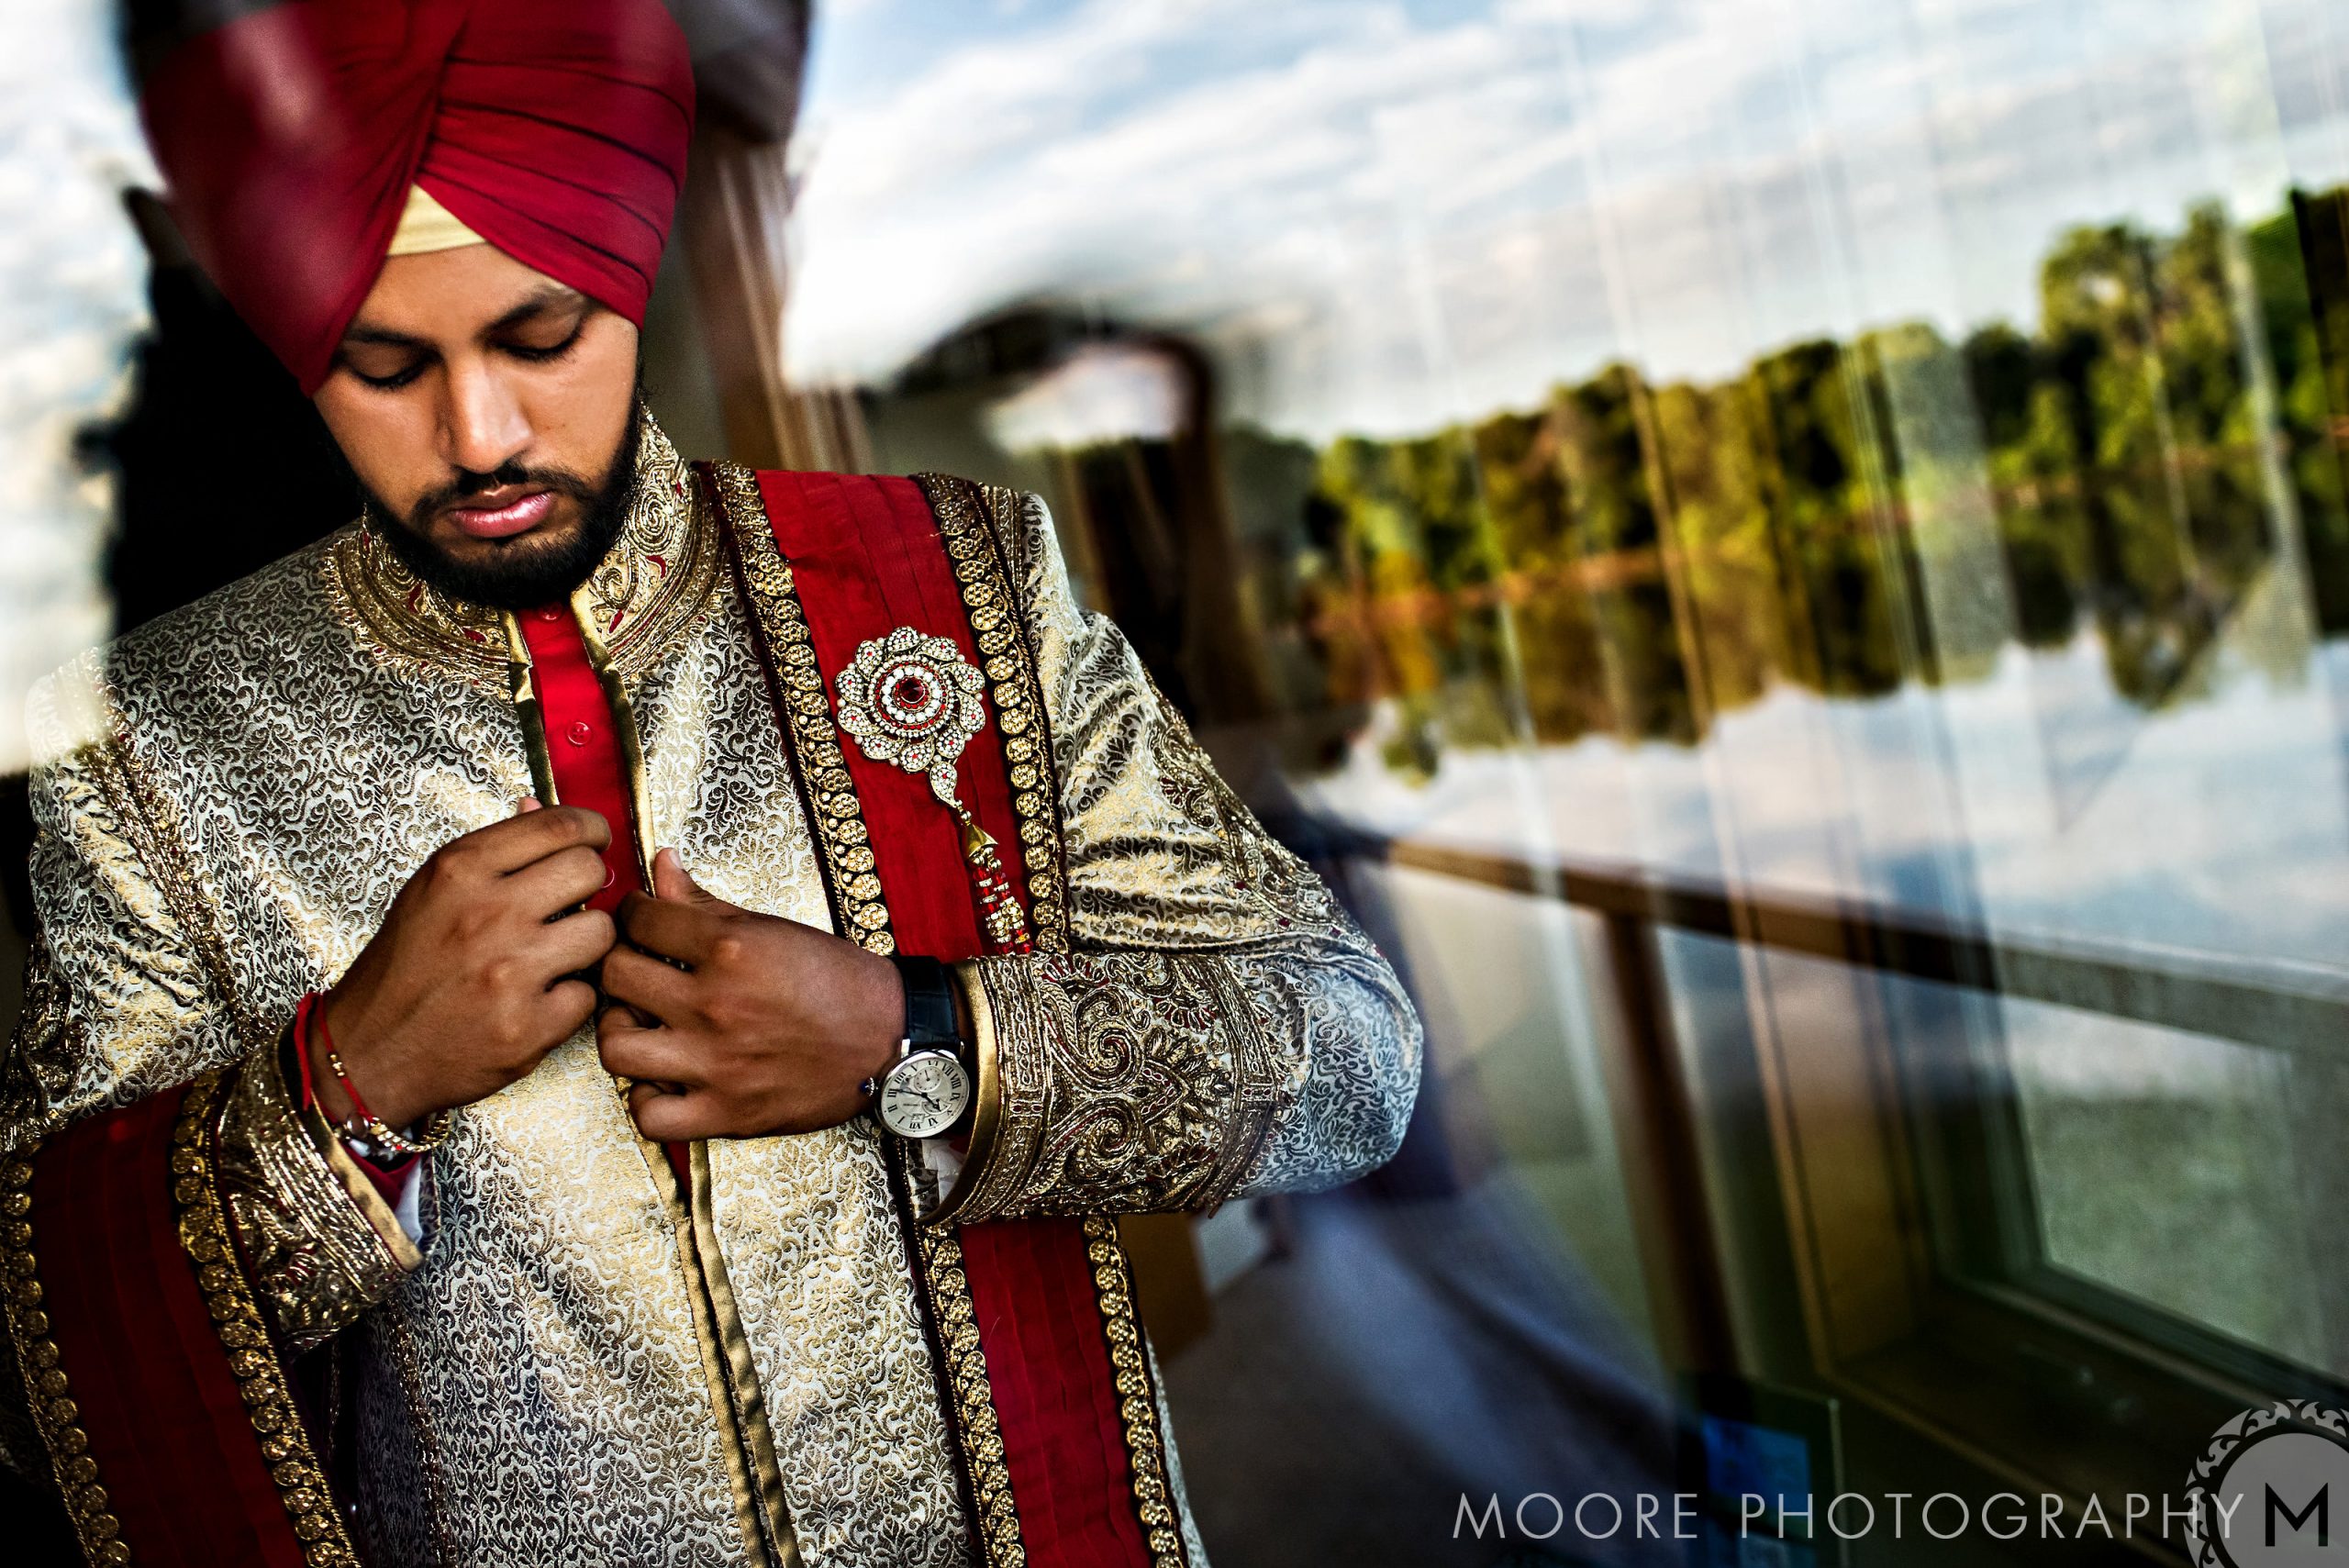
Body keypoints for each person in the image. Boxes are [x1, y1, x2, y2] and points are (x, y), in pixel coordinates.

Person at [0, 2, 1421, 1564]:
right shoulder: (143, 751)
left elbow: (1352, 1051)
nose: (479, 435)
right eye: (383, 366)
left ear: (627, 279)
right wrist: (343, 1085)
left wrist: (921, 1030)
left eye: (540, 338)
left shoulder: (958, 584)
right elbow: (39, 1347)